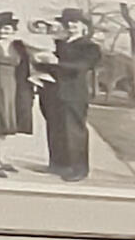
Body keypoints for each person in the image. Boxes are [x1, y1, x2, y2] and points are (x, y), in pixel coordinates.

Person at [35, 9, 101, 182]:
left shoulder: (90, 47)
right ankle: (58, 164)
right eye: (68, 23)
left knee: (74, 131)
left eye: (75, 22)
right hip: (52, 92)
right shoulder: (60, 43)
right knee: (55, 128)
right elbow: (48, 64)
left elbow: (81, 66)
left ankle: (79, 168)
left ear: (83, 26)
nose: (71, 26)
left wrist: (57, 62)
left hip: (73, 93)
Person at [0, 11, 31, 175]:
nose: (3, 32)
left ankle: (1, 158)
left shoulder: (18, 47)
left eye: (7, 28)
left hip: (13, 88)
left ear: (13, 30)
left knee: (6, 124)